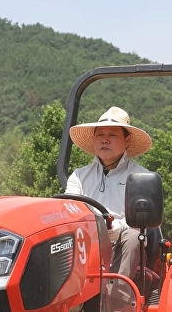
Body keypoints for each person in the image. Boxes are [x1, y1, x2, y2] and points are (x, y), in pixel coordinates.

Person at [66, 106, 153, 282]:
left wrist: (119, 227)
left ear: (127, 140)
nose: (105, 140)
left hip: (122, 243)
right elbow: (69, 210)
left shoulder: (141, 177)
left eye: (112, 135)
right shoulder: (79, 176)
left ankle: (118, 301)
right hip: (85, 240)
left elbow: (145, 223)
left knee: (133, 237)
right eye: (100, 135)